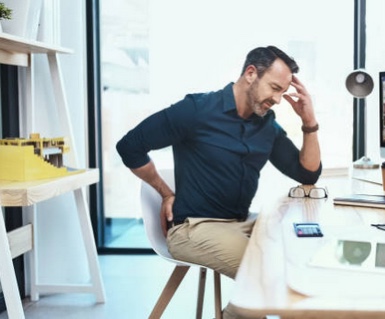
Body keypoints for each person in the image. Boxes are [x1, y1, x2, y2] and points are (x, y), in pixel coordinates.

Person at [116, 45, 322, 282]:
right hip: (195, 228)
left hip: (242, 222)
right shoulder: (197, 110)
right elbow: (130, 146)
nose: (277, 100)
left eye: (282, 92)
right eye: (275, 88)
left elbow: (307, 174)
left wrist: (309, 121)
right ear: (251, 73)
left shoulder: (266, 126)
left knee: (302, 254)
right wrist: (165, 193)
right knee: (266, 275)